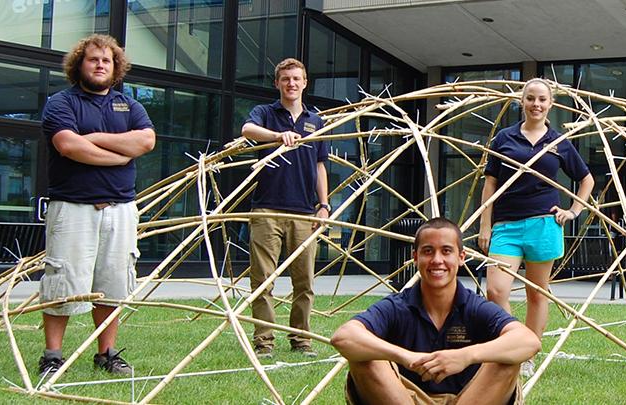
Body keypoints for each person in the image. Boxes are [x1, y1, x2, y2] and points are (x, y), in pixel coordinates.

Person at [38, 34, 156, 377]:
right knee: (62, 282)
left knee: (112, 284)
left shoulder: (128, 105)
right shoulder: (61, 102)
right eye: (93, 59)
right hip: (73, 209)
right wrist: (120, 156)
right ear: (79, 64)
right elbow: (68, 146)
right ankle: (52, 355)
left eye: (106, 60)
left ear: (116, 66)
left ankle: (107, 354)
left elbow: (146, 140)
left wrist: (95, 140)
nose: (100, 65)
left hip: (120, 210)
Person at [331, 217, 540, 405]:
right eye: (428, 251)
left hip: (470, 398)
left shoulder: (475, 307)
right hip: (405, 398)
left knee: (506, 358)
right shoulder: (397, 306)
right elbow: (344, 337)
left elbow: (528, 342)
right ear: (415, 257)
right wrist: (404, 356)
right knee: (364, 357)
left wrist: (465, 356)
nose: (437, 260)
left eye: (446, 251)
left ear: (461, 257)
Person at [478, 78, 594, 376]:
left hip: (545, 224)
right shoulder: (504, 138)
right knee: (495, 290)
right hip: (506, 225)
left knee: (537, 294)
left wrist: (574, 211)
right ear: (522, 101)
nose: (536, 104)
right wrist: (485, 225)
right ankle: (512, 343)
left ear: (550, 104)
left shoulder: (558, 142)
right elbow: (490, 183)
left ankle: (528, 354)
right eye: (530, 98)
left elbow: (586, 179)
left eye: (542, 99)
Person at [240, 58, 331, 358]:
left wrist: (324, 205)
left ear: (305, 83)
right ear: (277, 83)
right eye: (285, 79)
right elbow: (247, 130)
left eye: (296, 79)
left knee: (304, 281)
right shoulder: (266, 113)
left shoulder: (315, 122)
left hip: (304, 212)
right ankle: (264, 342)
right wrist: (278, 136)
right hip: (267, 210)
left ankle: (301, 340)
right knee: (262, 279)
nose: (291, 83)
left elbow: (320, 166)